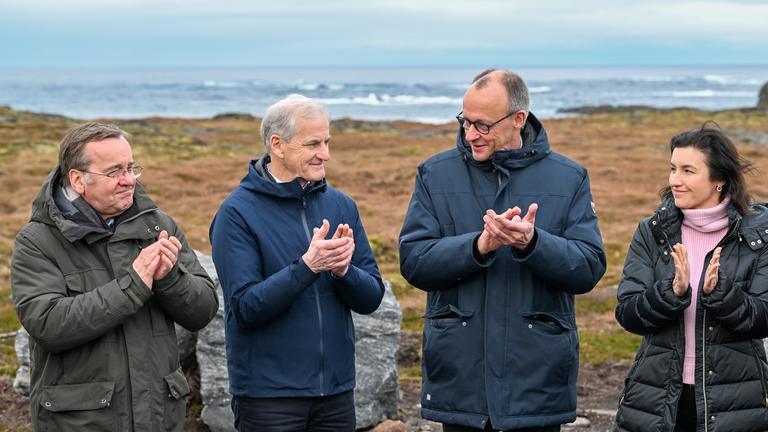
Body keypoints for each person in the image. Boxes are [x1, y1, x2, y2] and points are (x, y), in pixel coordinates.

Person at [398, 69, 606, 431]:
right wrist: (478, 247)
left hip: (535, 384)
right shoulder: (435, 174)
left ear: (518, 119)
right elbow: (414, 262)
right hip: (460, 381)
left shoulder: (569, 177)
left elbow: (588, 267)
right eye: (465, 121)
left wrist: (533, 243)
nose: (470, 134)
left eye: (482, 125)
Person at [11, 123, 219, 432]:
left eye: (131, 168)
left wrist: (169, 278)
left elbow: (202, 311)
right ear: (78, 180)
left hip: (159, 416)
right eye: (114, 172)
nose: (128, 181)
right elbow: (48, 325)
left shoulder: (159, 226)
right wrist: (133, 284)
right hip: (81, 422)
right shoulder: (37, 240)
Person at [209, 94, 385, 432]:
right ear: (278, 144)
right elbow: (246, 307)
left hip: (335, 393)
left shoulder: (341, 206)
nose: (326, 154)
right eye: (313, 143)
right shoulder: (236, 213)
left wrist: (344, 271)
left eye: (327, 141)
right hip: (269, 397)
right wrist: (307, 267)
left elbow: (372, 297)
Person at [613, 125, 768, 432]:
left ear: (720, 179)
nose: (675, 180)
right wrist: (670, 293)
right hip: (658, 397)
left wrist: (722, 294)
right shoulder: (653, 231)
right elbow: (628, 313)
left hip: (736, 401)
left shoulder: (757, 235)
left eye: (687, 170)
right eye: (672, 169)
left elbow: (764, 317)